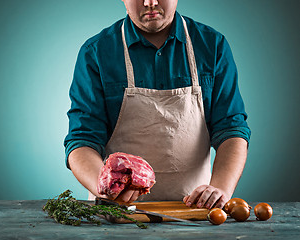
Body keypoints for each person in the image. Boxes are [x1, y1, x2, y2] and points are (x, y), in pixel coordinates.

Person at [64, 0, 251, 209]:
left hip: (196, 211)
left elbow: (231, 130)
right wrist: (106, 187)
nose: (150, 2)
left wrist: (220, 189)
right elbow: (82, 141)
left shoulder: (212, 45)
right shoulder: (96, 52)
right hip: (119, 214)